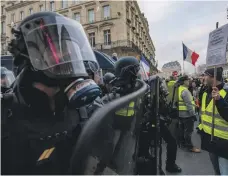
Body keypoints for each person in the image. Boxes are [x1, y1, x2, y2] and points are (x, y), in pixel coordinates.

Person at [2, 12, 102, 174]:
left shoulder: (85, 109)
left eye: (71, 49)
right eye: (56, 50)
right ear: (28, 59)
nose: (68, 56)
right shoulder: (6, 115)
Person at [198, 67, 228, 175]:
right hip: (210, 140)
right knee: (217, 171)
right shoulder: (205, 93)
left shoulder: (226, 92)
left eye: (205, 75)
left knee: (225, 172)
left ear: (213, 77)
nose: (203, 77)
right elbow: (204, 114)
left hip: (224, 142)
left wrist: (220, 101)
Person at [177, 75, 201, 153]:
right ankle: (190, 147)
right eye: (188, 80)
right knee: (188, 131)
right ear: (184, 81)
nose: (189, 82)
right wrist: (193, 115)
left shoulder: (178, 89)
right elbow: (189, 104)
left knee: (182, 130)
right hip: (187, 114)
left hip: (180, 114)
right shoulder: (185, 91)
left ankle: (182, 144)